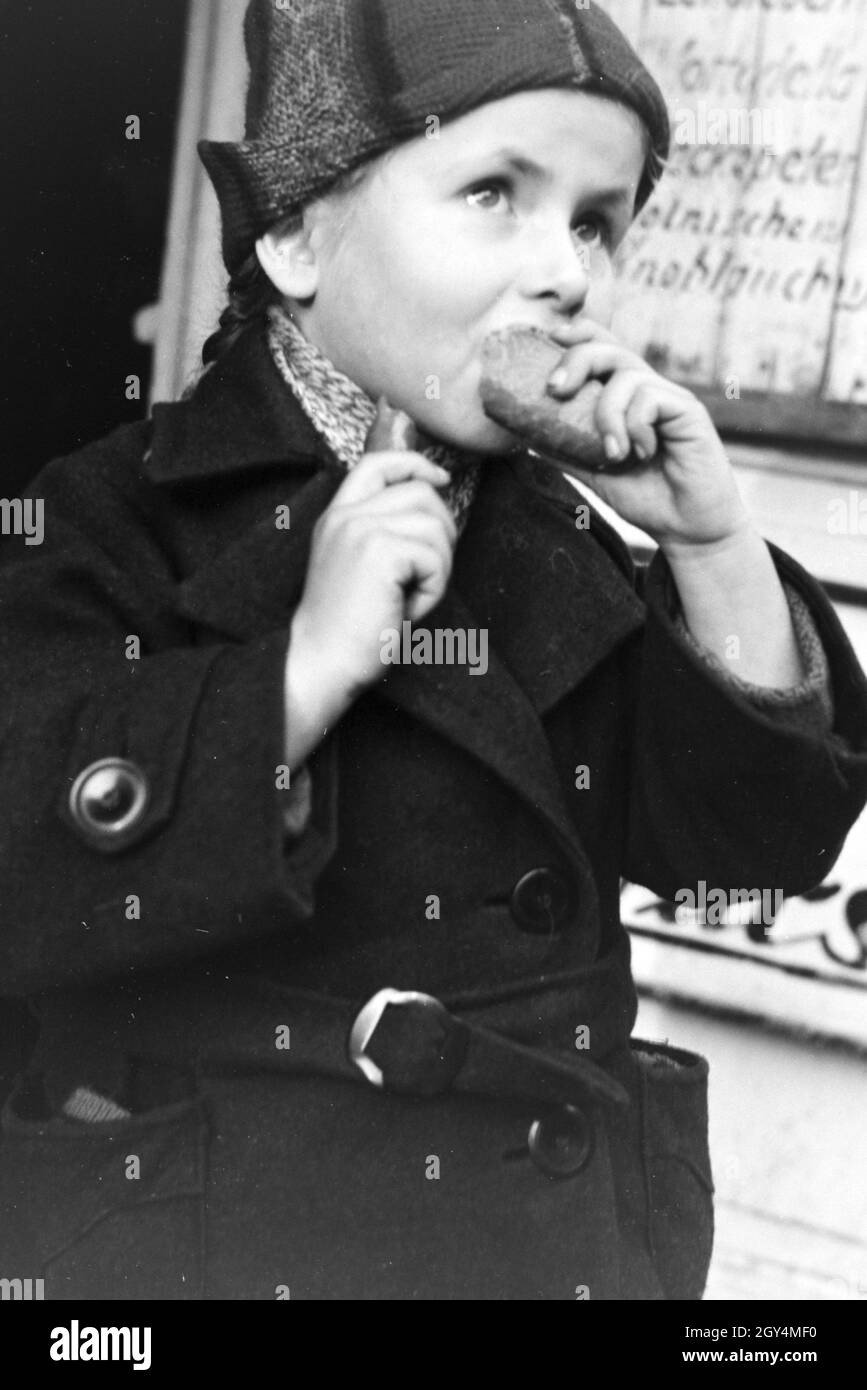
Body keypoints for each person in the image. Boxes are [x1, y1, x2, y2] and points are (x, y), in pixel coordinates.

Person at [1, 0, 866, 1302]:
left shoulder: (562, 538)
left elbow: (750, 848)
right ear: (294, 232)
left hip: (549, 1249)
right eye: (494, 195)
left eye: (595, 219)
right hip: (223, 1240)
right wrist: (292, 678)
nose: (567, 270)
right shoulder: (112, 515)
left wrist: (712, 543)